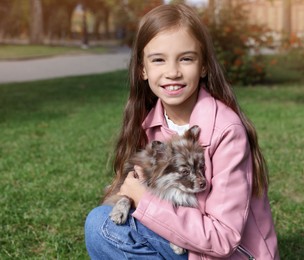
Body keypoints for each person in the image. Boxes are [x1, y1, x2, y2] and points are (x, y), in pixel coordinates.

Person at [85, 3, 279, 260]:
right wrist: (132, 195)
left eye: (186, 58)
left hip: (225, 253)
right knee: (101, 224)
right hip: (185, 243)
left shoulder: (226, 130)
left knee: (102, 228)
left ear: (204, 66)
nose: (173, 72)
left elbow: (222, 239)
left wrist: (144, 200)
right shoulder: (150, 123)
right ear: (143, 69)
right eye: (158, 60)